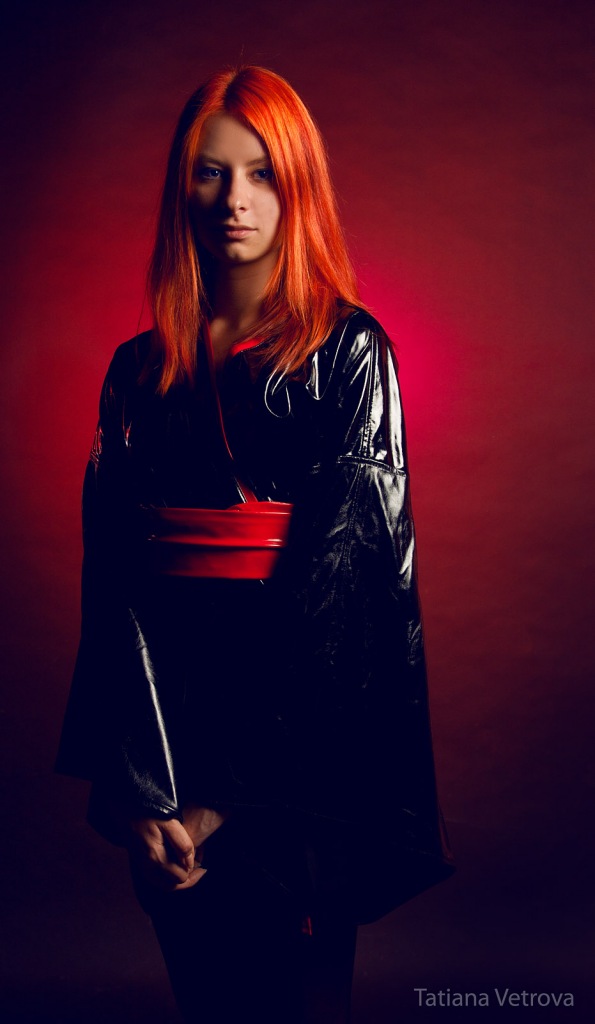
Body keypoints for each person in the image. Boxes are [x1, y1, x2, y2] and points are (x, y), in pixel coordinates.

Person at [56, 65, 455, 1024]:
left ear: (297, 185)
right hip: (167, 745)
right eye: (210, 172)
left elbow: (340, 593)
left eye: (261, 172)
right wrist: (146, 791)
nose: (234, 199)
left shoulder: (348, 353)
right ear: (181, 188)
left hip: (297, 756)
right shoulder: (136, 373)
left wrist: (222, 798)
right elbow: (114, 586)